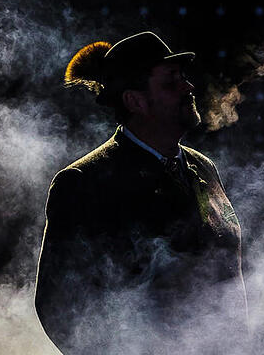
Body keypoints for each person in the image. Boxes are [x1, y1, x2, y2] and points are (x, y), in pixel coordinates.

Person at [35, 32, 247, 355]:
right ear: (135, 101)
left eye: (183, 78)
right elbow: (57, 306)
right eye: (170, 82)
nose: (188, 88)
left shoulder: (204, 168)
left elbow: (234, 274)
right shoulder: (84, 183)